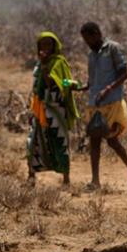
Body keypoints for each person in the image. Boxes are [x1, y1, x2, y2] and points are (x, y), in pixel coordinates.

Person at [79, 22, 127, 191]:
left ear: (97, 34)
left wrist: (107, 89)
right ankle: (95, 181)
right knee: (94, 141)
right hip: (95, 103)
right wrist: (81, 87)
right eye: (85, 40)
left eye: (89, 38)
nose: (88, 42)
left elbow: (124, 73)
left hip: (112, 102)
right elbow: (92, 80)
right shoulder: (91, 55)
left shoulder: (113, 48)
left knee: (112, 140)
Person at [27, 31, 80, 186]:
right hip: (40, 108)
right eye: (42, 44)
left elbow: (58, 83)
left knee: (59, 142)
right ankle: (31, 177)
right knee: (34, 142)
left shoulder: (59, 62)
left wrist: (45, 68)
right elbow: (37, 86)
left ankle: (66, 179)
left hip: (56, 109)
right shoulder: (39, 64)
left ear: (55, 45)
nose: (45, 48)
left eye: (48, 44)